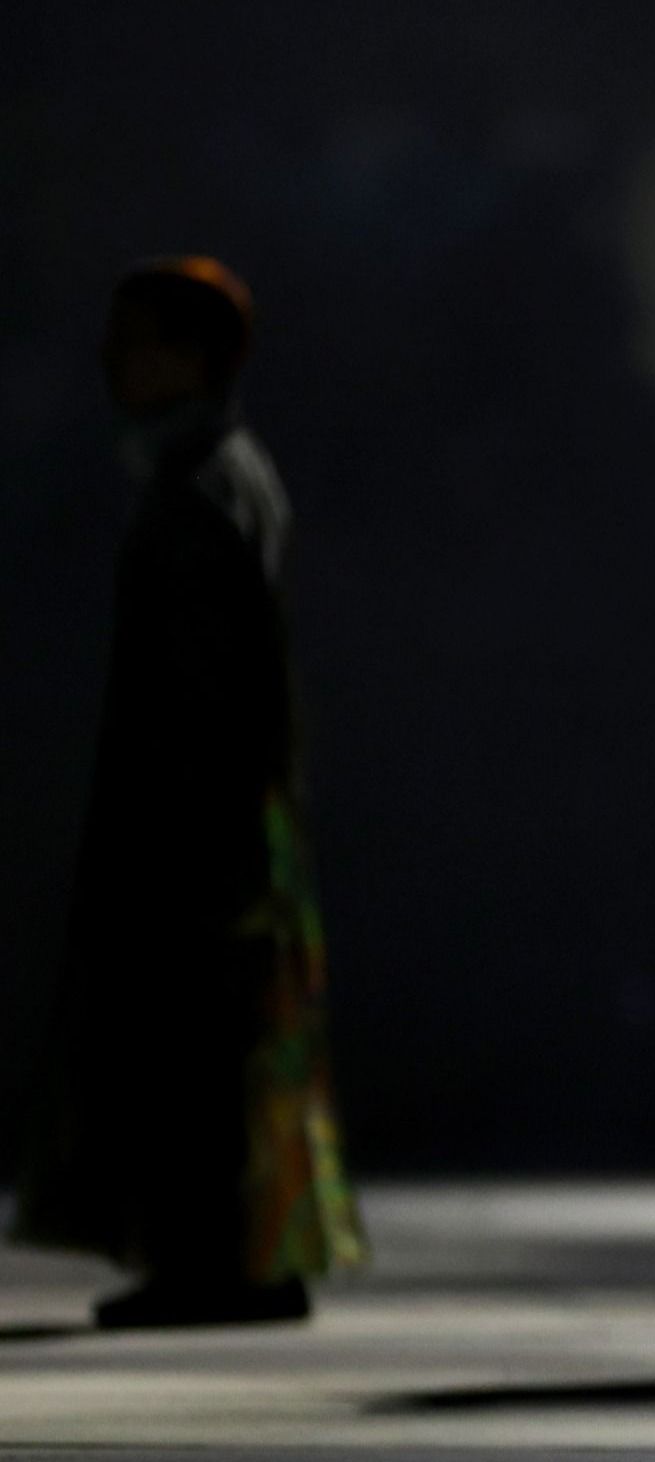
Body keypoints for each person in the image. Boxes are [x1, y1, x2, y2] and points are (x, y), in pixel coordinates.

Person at [13, 257, 367, 1328]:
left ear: (191, 356)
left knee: (193, 1041)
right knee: (222, 1040)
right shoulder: (219, 476)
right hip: (223, 808)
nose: (113, 361)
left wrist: (192, 818)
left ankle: (212, 1265)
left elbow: (209, 678)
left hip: (199, 814)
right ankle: (240, 1258)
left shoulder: (203, 489)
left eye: (136, 341)